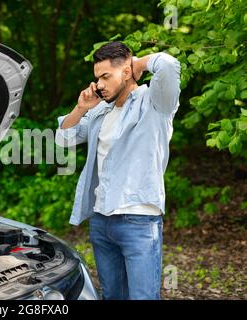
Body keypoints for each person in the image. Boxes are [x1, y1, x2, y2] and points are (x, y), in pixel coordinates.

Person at [55, 41, 181, 299]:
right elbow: (63, 139)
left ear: (125, 72)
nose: (99, 84)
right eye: (96, 78)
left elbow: (168, 64)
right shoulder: (101, 110)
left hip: (138, 220)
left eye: (105, 76)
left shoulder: (155, 102)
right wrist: (81, 108)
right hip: (101, 221)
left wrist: (136, 64)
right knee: (112, 296)